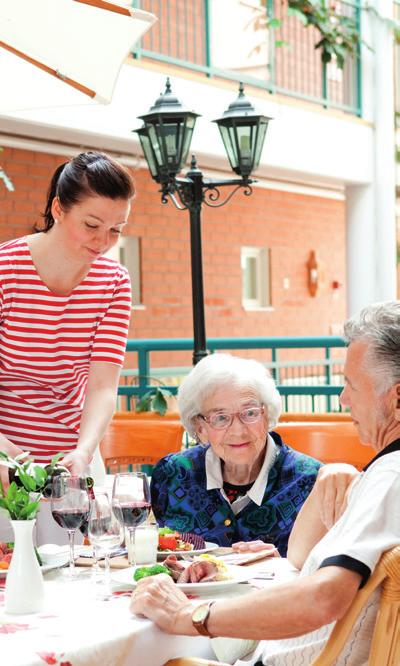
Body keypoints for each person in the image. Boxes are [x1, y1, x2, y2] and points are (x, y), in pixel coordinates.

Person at [132, 301, 400, 665]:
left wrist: (191, 616)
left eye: (351, 384)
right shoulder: (383, 474)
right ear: (200, 427)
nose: (342, 398)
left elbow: (322, 598)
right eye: (221, 418)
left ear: (396, 398)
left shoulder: (391, 476)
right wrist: (327, 483)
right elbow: (304, 559)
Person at [0, 151, 135, 487]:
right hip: (5, 454)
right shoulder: (5, 270)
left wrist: (84, 452)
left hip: (74, 454)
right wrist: (3, 452)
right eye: (91, 225)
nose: (103, 242)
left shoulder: (114, 282)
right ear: (58, 209)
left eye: (115, 230)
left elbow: (102, 385)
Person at [151, 353, 324, 555]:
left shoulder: (311, 482)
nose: (238, 431)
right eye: (221, 418)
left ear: (267, 415)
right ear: (200, 428)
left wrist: (283, 564)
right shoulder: (173, 474)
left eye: (250, 413)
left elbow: (329, 571)